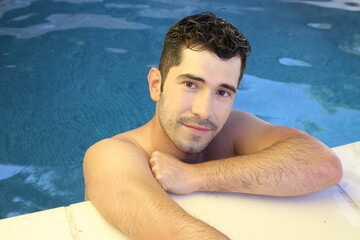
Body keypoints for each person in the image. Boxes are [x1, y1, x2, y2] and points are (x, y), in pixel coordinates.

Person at [83, 12, 343, 240]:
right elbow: (174, 234)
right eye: (190, 84)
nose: (204, 110)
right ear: (156, 85)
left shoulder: (233, 129)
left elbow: (324, 166)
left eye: (222, 92)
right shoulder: (111, 155)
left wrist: (194, 177)